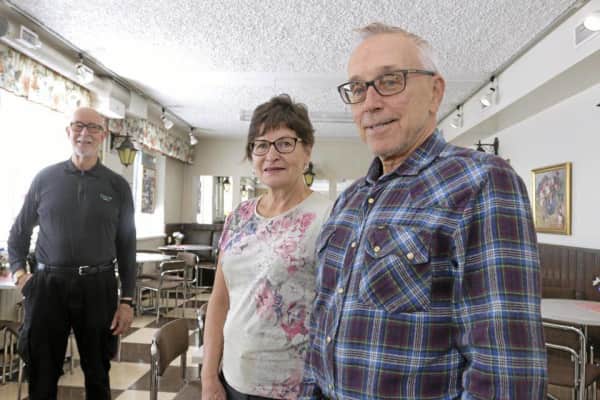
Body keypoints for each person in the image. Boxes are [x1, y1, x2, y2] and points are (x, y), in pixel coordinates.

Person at [300, 23, 547, 399]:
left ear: (435, 92)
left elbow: (506, 373)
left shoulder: (480, 181)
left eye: (390, 81)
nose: (370, 103)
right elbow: (322, 326)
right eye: (358, 88)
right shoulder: (347, 201)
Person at [201, 94, 332, 400]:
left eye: (284, 143)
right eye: (261, 145)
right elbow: (220, 299)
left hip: (293, 386)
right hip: (232, 377)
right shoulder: (238, 217)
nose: (271, 155)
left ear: (307, 151)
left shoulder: (328, 217)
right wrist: (208, 376)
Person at [8, 107, 136, 399]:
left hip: (98, 287)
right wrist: (20, 275)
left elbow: (127, 246)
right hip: (47, 287)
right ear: (68, 132)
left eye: (93, 128)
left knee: (98, 373)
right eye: (78, 126)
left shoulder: (117, 186)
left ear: (103, 136)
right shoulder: (45, 179)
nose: (85, 133)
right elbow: (18, 234)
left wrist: (127, 300)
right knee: (42, 373)